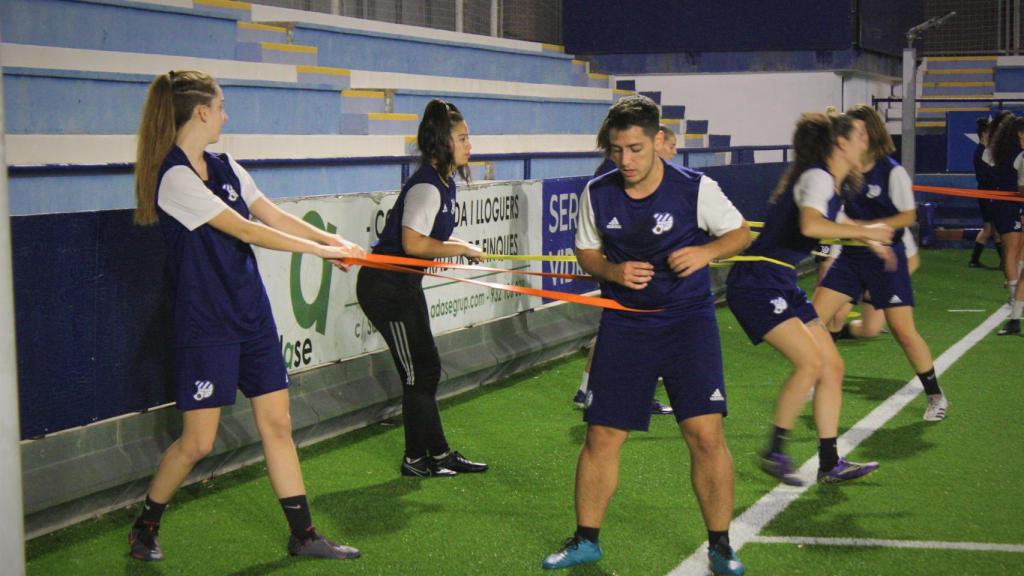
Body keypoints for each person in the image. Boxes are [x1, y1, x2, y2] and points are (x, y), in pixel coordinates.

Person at [128, 70, 365, 562]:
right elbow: (247, 231)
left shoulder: (225, 163)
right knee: (198, 443)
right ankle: (145, 525)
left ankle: (304, 536)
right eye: (220, 106)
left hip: (250, 315)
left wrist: (331, 240)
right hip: (206, 325)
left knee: (277, 424)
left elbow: (271, 215)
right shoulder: (173, 177)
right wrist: (323, 254)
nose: (225, 115)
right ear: (200, 112)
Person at [542, 95, 751, 575]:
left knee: (704, 433)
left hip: (687, 322)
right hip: (626, 324)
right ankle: (586, 540)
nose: (626, 161)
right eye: (617, 150)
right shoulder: (597, 192)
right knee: (602, 434)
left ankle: (720, 545)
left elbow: (740, 233)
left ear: (659, 141)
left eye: (635, 149)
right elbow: (586, 252)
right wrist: (613, 272)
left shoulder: (695, 188)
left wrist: (706, 254)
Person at [725, 111, 892, 487]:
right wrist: (866, 231)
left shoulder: (830, 184)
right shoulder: (817, 178)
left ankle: (829, 462)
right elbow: (811, 226)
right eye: (861, 136)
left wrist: (869, 240)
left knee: (832, 366)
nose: (867, 142)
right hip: (758, 282)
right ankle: (775, 449)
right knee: (811, 362)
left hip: (779, 281)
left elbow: (834, 228)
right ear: (841, 144)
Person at [356, 99, 490, 477]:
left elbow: (428, 237)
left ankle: (439, 454)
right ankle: (416, 459)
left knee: (427, 368)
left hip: (404, 287)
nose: (469, 145)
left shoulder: (444, 183)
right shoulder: (428, 186)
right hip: (385, 289)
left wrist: (462, 245)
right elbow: (413, 243)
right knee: (417, 374)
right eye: (462, 138)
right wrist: (459, 248)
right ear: (442, 142)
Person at [812, 105, 947, 421]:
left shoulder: (892, 171)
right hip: (851, 255)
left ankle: (935, 395)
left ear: (871, 134)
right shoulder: (842, 171)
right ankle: (816, 376)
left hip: (887, 260)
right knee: (812, 320)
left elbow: (908, 216)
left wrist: (872, 230)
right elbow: (835, 209)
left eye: (858, 131)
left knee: (903, 331)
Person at [574, 123, 681, 416]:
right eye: (671, 147)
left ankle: (590, 389)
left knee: (614, 329)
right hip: (621, 271)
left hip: (622, 271)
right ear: (656, 142)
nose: (673, 153)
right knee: (623, 330)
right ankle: (601, 392)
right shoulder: (610, 180)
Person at [992, 115, 1024, 335]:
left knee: (1014, 252)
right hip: (1011, 206)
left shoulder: (1017, 156)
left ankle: (1015, 316)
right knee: (1015, 253)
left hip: (1010, 206)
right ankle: (1014, 316)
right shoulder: (1020, 157)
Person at [969, 117, 1002, 268]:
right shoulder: (982, 152)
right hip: (987, 194)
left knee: (992, 227)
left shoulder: (983, 151)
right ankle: (975, 259)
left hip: (987, 193)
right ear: (984, 134)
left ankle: (977, 259)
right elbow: (989, 175)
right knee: (990, 227)